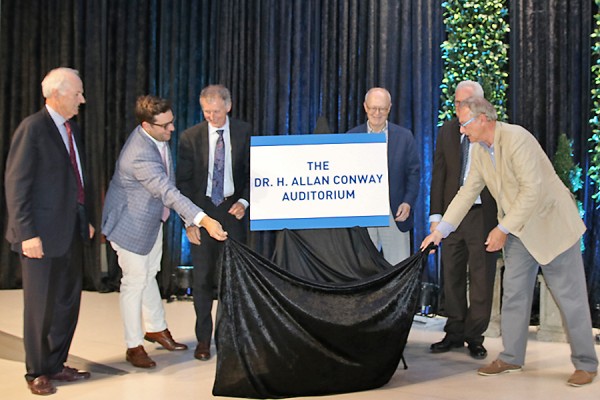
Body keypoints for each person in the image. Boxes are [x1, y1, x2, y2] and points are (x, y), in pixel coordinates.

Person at [420, 97, 598, 386]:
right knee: (514, 295)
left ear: (483, 119)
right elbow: (467, 193)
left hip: (551, 227)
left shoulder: (517, 139)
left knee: (570, 298)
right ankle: (512, 357)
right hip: (518, 231)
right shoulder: (479, 150)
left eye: (465, 124)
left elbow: (532, 192)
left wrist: (501, 229)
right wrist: (440, 230)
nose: (462, 131)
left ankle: (586, 364)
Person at [101, 95, 227, 369]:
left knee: (148, 275)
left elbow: (169, 186)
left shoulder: (157, 138)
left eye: (172, 122)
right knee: (133, 283)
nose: (172, 129)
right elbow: (167, 190)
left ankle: (156, 328)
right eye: (165, 125)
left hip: (150, 220)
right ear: (147, 125)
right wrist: (202, 220)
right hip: (129, 225)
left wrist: (188, 219)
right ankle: (134, 346)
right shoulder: (139, 154)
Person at [4, 67, 94, 395]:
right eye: (77, 93)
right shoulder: (33, 129)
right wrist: (26, 233)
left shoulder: (73, 130)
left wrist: (85, 216)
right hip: (38, 236)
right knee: (40, 307)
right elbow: (17, 185)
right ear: (55, 94)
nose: (82, 99)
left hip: (70, 231)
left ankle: (57, 364)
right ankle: (37, 372)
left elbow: (78, 180)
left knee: (67, 303)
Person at [177, 84, 252, 361]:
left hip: (233, 211)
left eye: (217, 111)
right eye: (207, 112)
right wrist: (190, 220)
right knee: (202, 279)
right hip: (202, 212)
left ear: (228, 107)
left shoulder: (245, 132)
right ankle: (203, 340)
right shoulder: (190, 137)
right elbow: (182, 183)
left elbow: (253, 173)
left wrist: (244, 202)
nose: (211, 116)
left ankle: (230, 336)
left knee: (232, 278)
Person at [429, 81, 498, 360]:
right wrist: (436, 217)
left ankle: (475, 336)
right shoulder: (447, 130)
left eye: (464, 103)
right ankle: (454, 331)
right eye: (456, 103)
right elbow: (439, 174)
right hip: (451, 215)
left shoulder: (492, 131)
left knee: (481, 278)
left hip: (483, 214)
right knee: (451, 275)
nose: (458, 109)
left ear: (480, 106)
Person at [347, 87, 420, 265]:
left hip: (394, 213)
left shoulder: (404, 137)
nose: (377, 113)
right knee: (363, 270)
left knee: (398, 269)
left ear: (389, 108)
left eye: (382, 109)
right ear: (365, 107)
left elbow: (414, 173)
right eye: (373, 108)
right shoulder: (351, 137)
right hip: (363, 215)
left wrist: (407, 202)